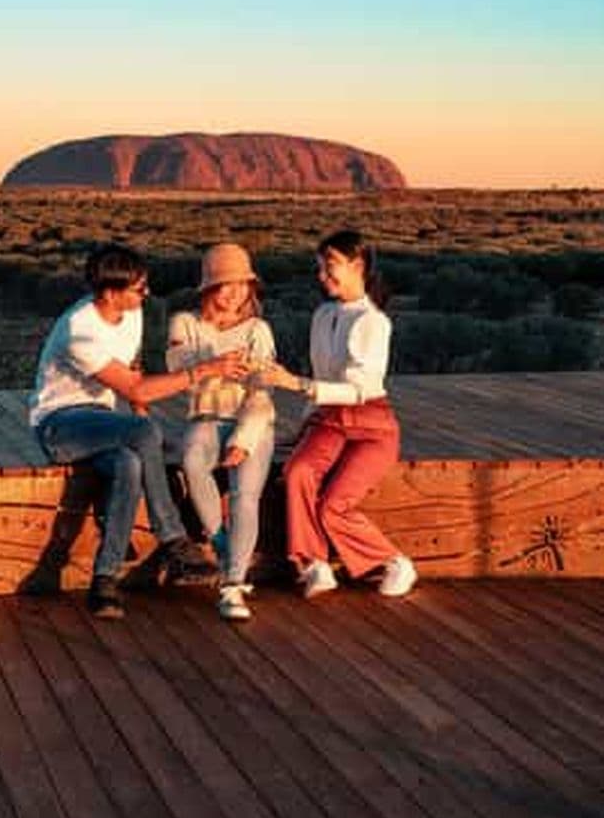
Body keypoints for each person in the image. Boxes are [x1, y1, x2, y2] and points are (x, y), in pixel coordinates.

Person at [30, 243, 248, 619]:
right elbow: (135, 388)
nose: (145, 294)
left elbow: (132, 381)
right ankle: (173, 538)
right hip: (60, 425)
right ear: (111, 292)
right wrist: (205, 370)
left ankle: (104, 580)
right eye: (138, 289)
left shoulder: (130, 314)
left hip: (106, 421)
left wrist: (144, 422)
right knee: (144, 436)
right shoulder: (78, 331)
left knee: (130, 464)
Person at [260, 229, 417, 599]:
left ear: (357, 266)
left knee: (334, 506)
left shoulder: (373, 322)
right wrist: (302, 426)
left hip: (371, 425)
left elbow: (360, 389)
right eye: (319, 267)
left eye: (329, 266)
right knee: (297, 471)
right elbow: (322, 378)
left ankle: (395, 562)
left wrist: (295, 384)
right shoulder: (323, 315)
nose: (322, 275)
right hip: (328, 419)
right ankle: (314, 564)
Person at [166, 243, 275, 621]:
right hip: (206, 417)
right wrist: (214, 365)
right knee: (193, 461)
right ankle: (226, 548)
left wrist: (244, 441)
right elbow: (178, 369)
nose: (235, 292)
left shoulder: (258, 330)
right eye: (225, 284)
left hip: (252, 419)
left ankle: (232, 586)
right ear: (208, 287)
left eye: (242, 284)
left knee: (245, 494)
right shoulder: (185, 324)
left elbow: (262, 391)